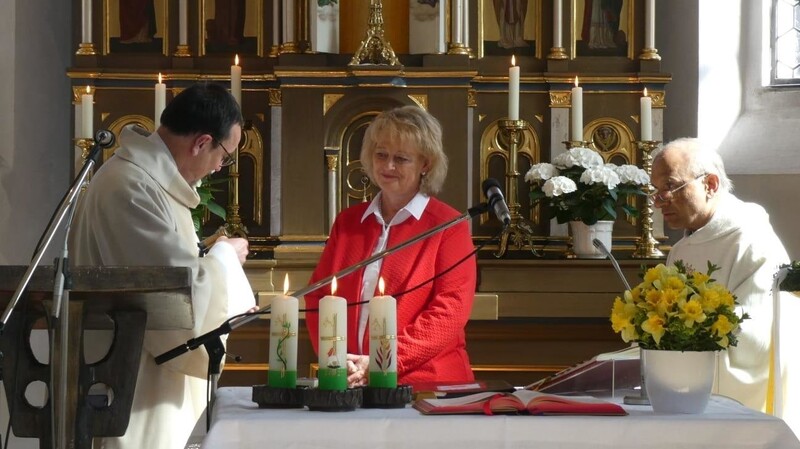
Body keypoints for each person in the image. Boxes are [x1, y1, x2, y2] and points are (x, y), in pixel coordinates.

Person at [70, 83, 255, 449]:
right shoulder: (130, 187)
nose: (220, 167)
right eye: (225, 155)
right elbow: (170, 289)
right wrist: (224, 258)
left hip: (148, 376)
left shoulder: (153, 183)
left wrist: (210, 259)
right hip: (129, 378)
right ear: (201, 142)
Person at [304, 105, 476, 389]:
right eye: (381, 154)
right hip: (352, 381)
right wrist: (334, 357)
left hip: (427, 387)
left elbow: (448, 314)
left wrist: (384, 361)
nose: (388, 166)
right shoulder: (348, 222)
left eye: (401, 158)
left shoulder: (450, 227)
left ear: (426, 164)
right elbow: (319, 295)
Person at [650, 138, 790, 414]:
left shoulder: (750, 238)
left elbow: (756, 334)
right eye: (656, 191)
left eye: (670, 187)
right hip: (686, 389)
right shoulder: (680, 250)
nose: (659, 202)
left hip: (739, 401)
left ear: (710, 185)